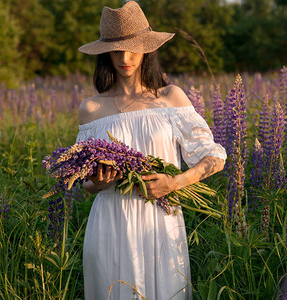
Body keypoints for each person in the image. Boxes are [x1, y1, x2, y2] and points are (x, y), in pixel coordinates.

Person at [76, 2, 226, 299]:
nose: (125, 57)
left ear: (147, 48)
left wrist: (175, 182)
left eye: (133, 47)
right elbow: (85, 182)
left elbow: (215, 157)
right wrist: (99, 182)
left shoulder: (170, 98)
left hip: (161, 220)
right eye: (116, 49)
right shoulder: (91, 108)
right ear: (105, 52)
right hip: (111, 223)